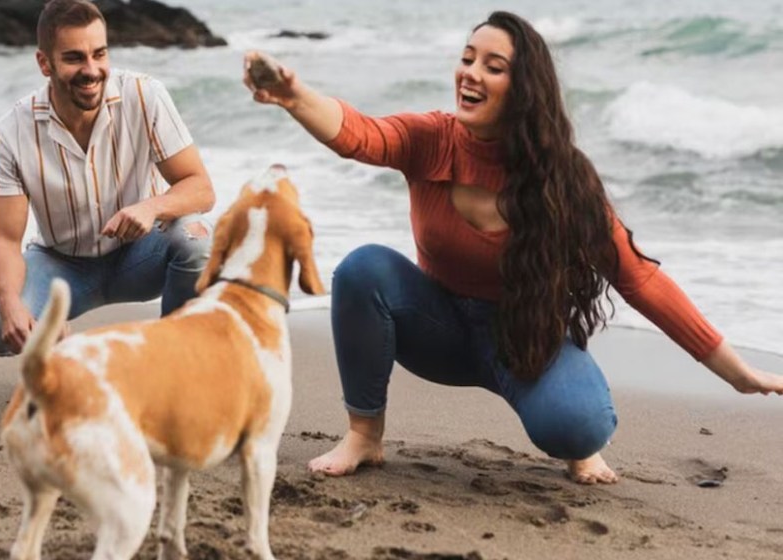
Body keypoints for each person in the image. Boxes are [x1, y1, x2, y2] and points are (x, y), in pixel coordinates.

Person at [243, 11, 783, 484]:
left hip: (526, 340)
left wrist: (735, 372)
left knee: (578, 426)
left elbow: (638, 278)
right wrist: (294, 96)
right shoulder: (431, 138)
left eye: (492, 66)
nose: (470, 74)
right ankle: (364, 434)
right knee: (364, 270)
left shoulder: (564, 179)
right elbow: (359, 133)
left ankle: (579, 446)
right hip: (439, 329)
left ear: (523, 88)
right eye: (467, 59)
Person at [0, 0, 215, 356]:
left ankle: (173, 360)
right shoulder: (10, 133)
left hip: (140, 255)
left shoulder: (145, 95)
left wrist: (151, 208)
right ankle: (53, 328)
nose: (92, 70)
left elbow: (200, 187)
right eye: (74, 58)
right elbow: (5, 241)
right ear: (45, 63)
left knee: (198, 241)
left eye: (99, 54)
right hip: (62, 266)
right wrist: (10, 303)